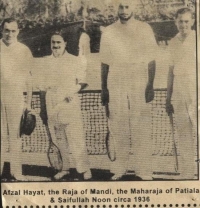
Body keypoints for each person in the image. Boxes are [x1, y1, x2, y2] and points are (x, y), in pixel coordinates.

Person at [100, 0, 157, 180]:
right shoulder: (108, 32)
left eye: (127, 6)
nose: (124, 10)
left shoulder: (144, 28)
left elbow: (152, 60)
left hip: (139, 81)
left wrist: (150, 85)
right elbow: (104, 63)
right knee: (118, 126)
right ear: (115, 8)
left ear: (133, 7)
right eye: (120, 7)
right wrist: (104, 89)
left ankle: (144, 170)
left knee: (141, 127)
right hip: (116, 82)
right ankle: (119, 169)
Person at [39, 31, 91, 180]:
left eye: (58, 43)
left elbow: (83, 82)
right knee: (59, 138)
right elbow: (42, 88)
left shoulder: (74, 60)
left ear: (65, 44)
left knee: (76, 137)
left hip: (69, 102)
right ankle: (64, 168)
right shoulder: (45, 61)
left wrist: (72, 91)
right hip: (51, 102)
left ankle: (84, 169)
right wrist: (43, 109)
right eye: (53, 42)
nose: (55, 46)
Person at [166, 8, 197, 179]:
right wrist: (168, 97)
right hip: (178, 89)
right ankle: (187, 172)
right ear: (175, 22)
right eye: (180, 21)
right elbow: (170, 71)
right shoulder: (172, 42)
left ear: (192, 21)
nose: (183, 25)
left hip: (196, 88)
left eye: (186, 21)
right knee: (184, 133)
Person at [1, 18, 33, 180]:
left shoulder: (24, 50)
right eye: (7, 30)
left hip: (15, 97)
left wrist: (28, 103)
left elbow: (28, 79)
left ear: (18, 32)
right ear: (2, 30)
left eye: (13, 31)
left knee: (15, 136)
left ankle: (16, 172)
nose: (10, 34)